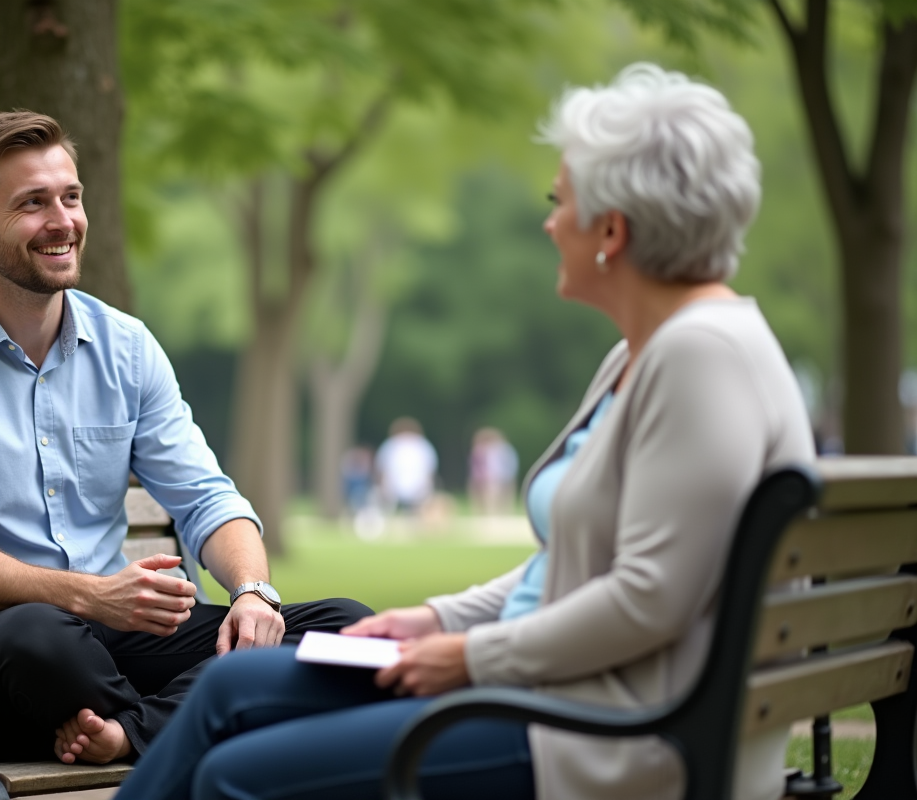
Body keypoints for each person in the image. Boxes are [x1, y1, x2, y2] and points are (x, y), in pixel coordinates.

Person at [115, 63, 815, 800]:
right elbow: (570, 563)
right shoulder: (642, 354)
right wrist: (434, 617)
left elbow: (648, 599)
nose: (549, 223)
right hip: (547, 690)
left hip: (599, 730)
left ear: (613, 230)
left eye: (560, 203)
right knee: (233, 685)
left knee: (236, 776)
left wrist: (471, 656)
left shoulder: (703, 359)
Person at [0, 111, 370, 767]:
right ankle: (204, 714)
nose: (62, 220)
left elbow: (207, 499)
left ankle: (130, 734)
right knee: (42, 639)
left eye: (70, 197)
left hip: (114, 642)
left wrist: (251, 593)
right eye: (32, 203)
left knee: (348, 630)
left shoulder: (126, 347)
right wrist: (91, 594)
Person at [374, 417, 438, 513]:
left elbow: (382, 468)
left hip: (411, 487)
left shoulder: (391, 445)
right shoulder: (422, 445)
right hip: (400, 487)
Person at [468, 427, 519, 515]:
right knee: (489, 496)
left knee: (498, 496)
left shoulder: (501, 449)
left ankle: (499, 513)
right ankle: (489, 513)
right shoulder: (482, 449)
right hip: (489, 476)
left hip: (498, 475)